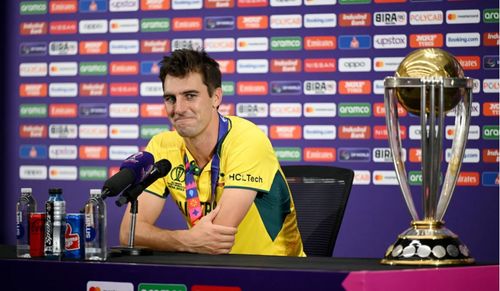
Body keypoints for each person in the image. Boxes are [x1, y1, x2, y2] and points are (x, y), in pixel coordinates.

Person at [119, 49, 305, 256]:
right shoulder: (162, 147)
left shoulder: (247, 139)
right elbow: (129, 233)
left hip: (272, 273)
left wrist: (180, 240)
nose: (179, 108)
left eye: (190, 96)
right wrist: (186, 240)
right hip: (207, 270)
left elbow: (217, 238)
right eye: (170, 98)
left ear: (216, 97)